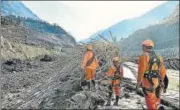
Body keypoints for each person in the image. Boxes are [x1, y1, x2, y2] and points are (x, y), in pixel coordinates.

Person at [136, 40, 166, 110]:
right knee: (155, 99)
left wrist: (138, 83)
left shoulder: (143, 56)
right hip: (156, 82)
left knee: (150, 101)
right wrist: (161, 80)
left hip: (147, 82)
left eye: (142, 46)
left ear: (143, 46)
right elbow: (163, 71)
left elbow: (141, 71)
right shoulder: (159, 57)